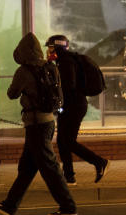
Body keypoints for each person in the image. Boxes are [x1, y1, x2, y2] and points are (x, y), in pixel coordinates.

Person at [0, 33, 77, 215]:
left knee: (50, 167)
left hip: (35, 124)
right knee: (27, 168)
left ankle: (68, 206)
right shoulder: (50, 67)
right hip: (48, 121)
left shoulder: (23, 71)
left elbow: (12, 94)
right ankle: (10, 205)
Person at [45, 34, 108, 185]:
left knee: (68, 141)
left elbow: (69, 86)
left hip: (73, 106)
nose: (48, 51)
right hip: (70, 106)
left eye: (50, 47)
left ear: (57, 47)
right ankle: (69, 176)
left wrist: (55, 93)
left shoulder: (65, 62)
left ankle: (99, 162)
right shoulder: (65, 60)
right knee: (62, 141)